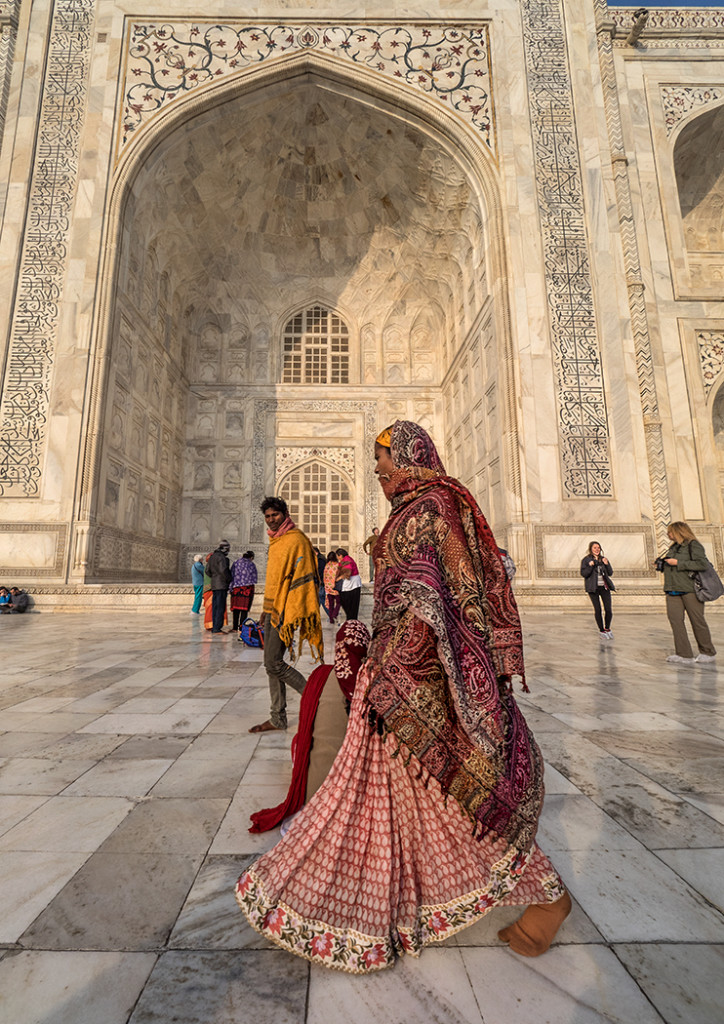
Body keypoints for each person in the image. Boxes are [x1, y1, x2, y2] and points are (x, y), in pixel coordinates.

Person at [235, 421, 570, 972]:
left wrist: (394, 669)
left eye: (383, 458)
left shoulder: (434, 507)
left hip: (418, 682)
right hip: (394, 677)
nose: (377, 468)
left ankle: (546, 893)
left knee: (450, 799)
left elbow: (439, 599)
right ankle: (393, 901)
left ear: (411, 456)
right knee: (410, 800)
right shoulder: (416, 507)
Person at [249, 620, 371, 834]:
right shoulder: (371, 684)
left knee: (299, 743)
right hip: (355, 789)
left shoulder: (320, 675)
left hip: (313, 795)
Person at [249, 497, 324, 734]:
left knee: (273, 663)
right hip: (274, 610)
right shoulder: (277, 541)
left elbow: (303, 575)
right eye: (268, 517)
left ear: (285, 514)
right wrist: (265, 609)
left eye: (275, 515)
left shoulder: (296, 539)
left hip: (288, 610)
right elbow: (274, 581)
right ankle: (278, 718)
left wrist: (290, 609)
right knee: (271, 664)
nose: (271, 520)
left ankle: (316, 700)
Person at [658, 521, 717, 664]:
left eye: (670, 532)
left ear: (679, 532)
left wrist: (678, 563)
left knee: (697, 621)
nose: (668, 534)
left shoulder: (693, 545)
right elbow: (672, 565)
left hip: (690, 589)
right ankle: (684, 654)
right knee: (675, 621)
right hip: (672, 589)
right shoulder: (673, 547)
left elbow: (702, 564)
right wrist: (662, 564)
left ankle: (707, 652)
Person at [580, 541, 615, 639]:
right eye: (595, 548)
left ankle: (607, 628)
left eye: (598, 548)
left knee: (608, 610)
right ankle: (602, 631)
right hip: (593, 588)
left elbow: (610, 573)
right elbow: (584, 574)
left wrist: (607, 564)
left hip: (604, 587)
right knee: (598, 609)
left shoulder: (603, 559)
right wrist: (590, 566)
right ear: (591, 549)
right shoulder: (586, 560)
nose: (597, 549)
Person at [207, 540, 232, 634]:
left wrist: (214, 577)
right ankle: (217, 628)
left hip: (214, 584)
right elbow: (223, 571)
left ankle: (215, 627)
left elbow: (207, 571)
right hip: (221, 585)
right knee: (220, 607)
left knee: (215, 606)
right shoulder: (222, 558)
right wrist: (229, 579)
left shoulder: (212, 557)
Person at [230, 550, 257, 632]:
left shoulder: (236, 562)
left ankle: (234, 627)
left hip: (236, 589)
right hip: (247, 589)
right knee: (244, 609)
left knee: (236, 609)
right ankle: (241, 627)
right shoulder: (251, 564)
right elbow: (254, 578)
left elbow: (231, 574)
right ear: (251, 557)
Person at [335, 547, 362, 620]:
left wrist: (339, 578)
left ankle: (351, 619)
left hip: (352, 583)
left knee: (349, 602)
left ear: (340, 555)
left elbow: (347, 573)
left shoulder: (347, 560)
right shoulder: (347, 559)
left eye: (337, 556)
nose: (338, 558)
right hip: (353, 583)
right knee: (351, 603)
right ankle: (351, 618)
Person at [323, 551, 341, 625]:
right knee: (339, 602)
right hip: (335, 587)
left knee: (331, 604)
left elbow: (324, 576)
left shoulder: (327, 565)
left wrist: (326, 586)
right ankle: (334, 614)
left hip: (328, 587)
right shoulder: (337, 565)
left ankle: (331, 619)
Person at [312, 546, 328, 614]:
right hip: (320, 583)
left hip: (321, 583)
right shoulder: (319, 558)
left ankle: (331, 615)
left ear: (315, 552)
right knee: (319, 600)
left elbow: (320, 572)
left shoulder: (320, 560)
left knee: (321, 599)